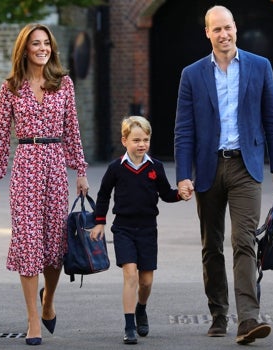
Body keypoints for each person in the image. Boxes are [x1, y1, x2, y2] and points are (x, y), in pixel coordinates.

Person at [174, 5, 273, 345]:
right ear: (207, 33)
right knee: (212, 247)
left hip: (246, 166)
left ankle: (248, 319)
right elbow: (184, 130)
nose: (223, 35)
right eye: (216, 29)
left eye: (228, 28)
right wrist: (183, 175)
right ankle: (219, 313)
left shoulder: (259, 66)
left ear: (235, 28)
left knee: (244, 242)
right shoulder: (192, 74)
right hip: (208, 168)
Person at [0, 23, 89, 346]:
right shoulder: (11, 87)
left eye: (46, 43)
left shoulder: (64, 84)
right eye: (35, 44)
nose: (42, 48)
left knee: (55, 247)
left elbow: (72, 130)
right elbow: (1, 137)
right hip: (26, 164)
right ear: (24, 50)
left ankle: (48, 301)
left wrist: (80, 170)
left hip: (56, 164)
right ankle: (33, 320)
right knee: (29, 244)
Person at [90, 116, 184, 345]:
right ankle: (129, 324)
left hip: (148, 229)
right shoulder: (115, 168)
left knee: (146, 281)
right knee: (130, 274)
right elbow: (103, 195)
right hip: (123, 228)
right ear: (124, 141)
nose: (141, 144)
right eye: (136, 140)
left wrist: (180, 194)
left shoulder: (155, 167)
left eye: (145, 139)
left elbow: (165, 194)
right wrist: (99, 221)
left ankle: (141, 308)